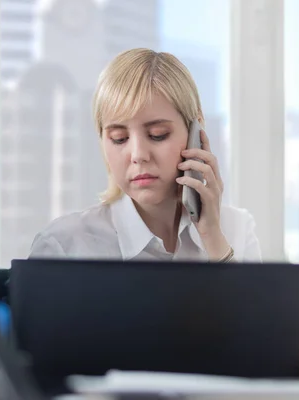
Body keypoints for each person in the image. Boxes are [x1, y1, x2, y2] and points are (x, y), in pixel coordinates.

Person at [29, 48, 261, 262]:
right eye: (119, 138)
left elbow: (253, 308)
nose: (138, 155)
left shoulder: (237, 231)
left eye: (158, 134)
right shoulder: (63, 246)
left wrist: (214, 241)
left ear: (196, 133)